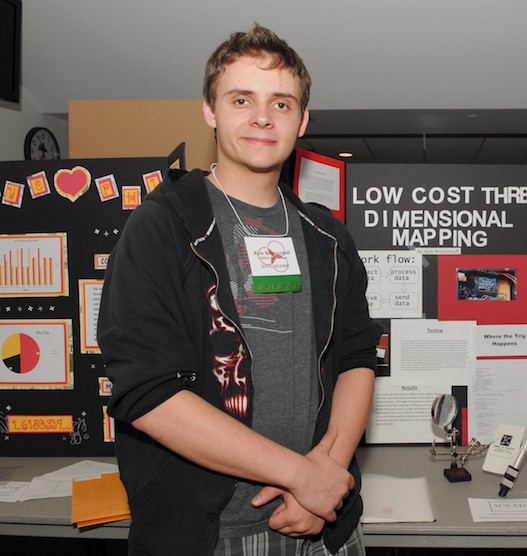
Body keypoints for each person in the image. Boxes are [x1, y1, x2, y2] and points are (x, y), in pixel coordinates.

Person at [98, 23, 383, 556]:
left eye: (281, 103)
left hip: (327, 523)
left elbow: (357, 357)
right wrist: (301, 474)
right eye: (241, 99)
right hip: (206, 534)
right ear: (210, 111)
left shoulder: (328, 237)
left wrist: (326, 474)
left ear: (302, 120)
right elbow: (148, 393)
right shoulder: (162, 228)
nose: (262, 117)